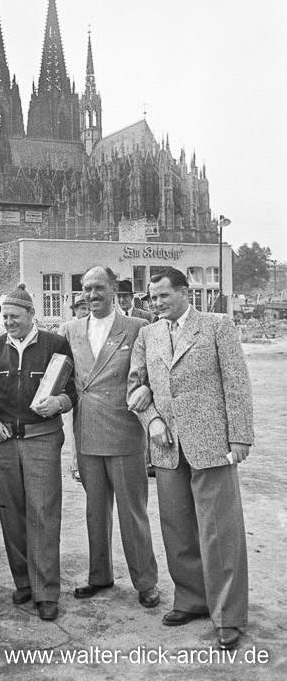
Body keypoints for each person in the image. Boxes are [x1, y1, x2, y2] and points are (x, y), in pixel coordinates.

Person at [127, 266, 254, 649]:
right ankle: (192, 599)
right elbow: (136, 386)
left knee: (220, 534)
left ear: (185, 292)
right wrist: (151, 422)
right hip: (167, 448)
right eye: (153, 297)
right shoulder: (148, 335)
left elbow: (236, 382)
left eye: (164, 295)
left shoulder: (218, 326)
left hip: (212, 445)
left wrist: (240, 436)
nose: (157, 303)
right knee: (177, 528)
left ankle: (228, 615)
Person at [0, 283, 76, 621]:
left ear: (32, 315)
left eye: (15, 316)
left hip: (42, 439)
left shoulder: (55, 344)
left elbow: (72, 391)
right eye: (4, 316)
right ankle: (24, 582)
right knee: (11, 512)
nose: (9, 322)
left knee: (44, 513)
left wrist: (59, 403)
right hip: (3, 442)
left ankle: (46, 592)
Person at [65, 266, 159, 608]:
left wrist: (147, 389)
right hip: (87, 432)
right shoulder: (71, 329)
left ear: (114, 290)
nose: (92, 295)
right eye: (86, 288)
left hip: (124, 434)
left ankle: (146, 581)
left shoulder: (137, 328)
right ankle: (99, 575)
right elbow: (60, 378)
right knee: (94, 511)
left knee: (133, 512)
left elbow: (153, 372)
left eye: (98, 288)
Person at [58, 292, 89, 482]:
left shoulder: (95, 327)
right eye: (81, 308)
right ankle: (77, 466)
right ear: (75, 310)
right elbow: (60, 357)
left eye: (87, 307)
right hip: (74, 384)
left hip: (92, 384)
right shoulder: (67, 328)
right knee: (75, 425)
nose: (86, 311)